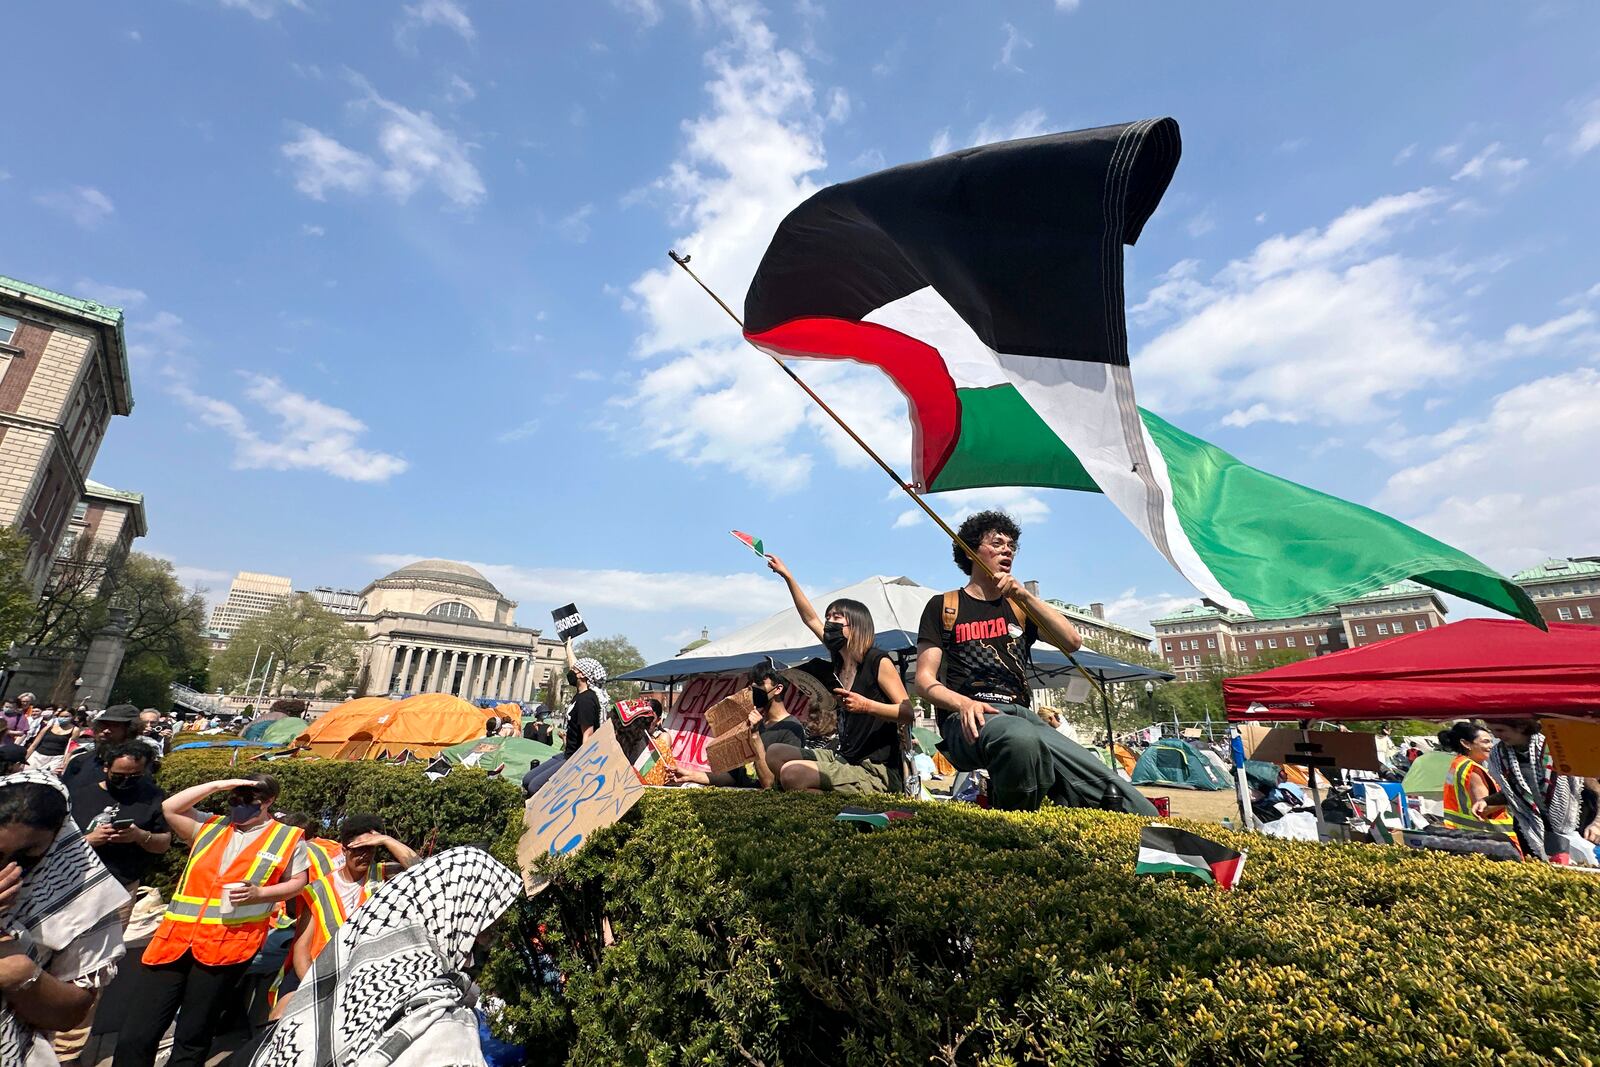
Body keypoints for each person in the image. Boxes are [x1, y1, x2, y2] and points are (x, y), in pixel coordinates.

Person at [912, 510, 1157, 814]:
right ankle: (1015, 834)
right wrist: (962, 704)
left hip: (1024, 716)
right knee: (1018, 739)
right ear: (971, 551)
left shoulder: (1019, 607)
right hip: (968, 719)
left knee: (1129, 799)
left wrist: (1025, 597)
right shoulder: (944, 606)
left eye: (1011, 546)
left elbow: (1071, 642)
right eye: (997, 543)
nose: (1007, 550)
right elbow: (924, 681)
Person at [247, 848, 522, 1067]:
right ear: (456, 914)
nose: (494, 930)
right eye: (489, 920)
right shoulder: (439, 1026)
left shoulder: (367, 955)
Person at [112, 774, 311, 1067]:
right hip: (174, 944)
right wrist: (219, 785)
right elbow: (170, 807)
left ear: (268, 802)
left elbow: (297, 882)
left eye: (248, 801)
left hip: (226, 949)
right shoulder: (210, 826)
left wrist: (260, 893)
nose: (238, 806)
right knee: (136, 1033)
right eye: (234, 800)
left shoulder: (287, 837)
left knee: (193, 1036)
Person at [0, 769, 129, 1067]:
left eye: (26, 854)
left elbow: (69, 1015)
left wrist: (23, 976)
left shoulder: (84, 901)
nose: (7, 867)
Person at [54, 744, 170, 1064]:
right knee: (52, 959)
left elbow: (163, 844)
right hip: (71, 889)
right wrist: (88, 841)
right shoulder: (80, 794)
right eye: (120, 775)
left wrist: (139, 836)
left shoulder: (153, 796)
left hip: (118, 894)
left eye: (136, 774)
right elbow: (52, 840)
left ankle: (67, 1049)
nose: (128, 780)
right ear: (106, 768)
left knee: (93, 968)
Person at [764, 555, 911, 794]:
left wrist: (866, 706)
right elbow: (809, 618)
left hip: (875, 768)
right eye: (828, 617)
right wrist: (788, 577)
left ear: (856, 625)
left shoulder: (877, 661)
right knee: (776, 753)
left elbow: (907, 712)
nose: (829, 623)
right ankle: (821, 796)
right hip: (844, 757)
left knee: (793, 773)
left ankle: (823, 799)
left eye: (836, 618)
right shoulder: (839, 661)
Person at [290, 815, 421, 982]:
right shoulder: (318, 889)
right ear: (344, 850)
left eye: (370, 849)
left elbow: (421, 871)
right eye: (359, 849)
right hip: (325, 973)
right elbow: (302, 950)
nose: (364, 855)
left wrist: (387, 840)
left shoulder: (383, 876)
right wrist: (313, 988)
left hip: (372, 972)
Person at [667, 666, 807, 789]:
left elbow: (770, 784)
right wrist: (690, 775)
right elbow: (734, 776)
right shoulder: (754, 722)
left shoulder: (792, 730)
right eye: (752, 686)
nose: (754, 689)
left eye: (760, 684)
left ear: (778, 689)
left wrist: (755, 735)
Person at [1485, 719, 1585, 864]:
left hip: (1573, 825)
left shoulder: (1557, 749)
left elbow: (1591, 789)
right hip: (1530, 827)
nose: (1496, 735)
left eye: (1500, 730)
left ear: (1522, 726)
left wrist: (1597, 822)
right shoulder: (1500, 755)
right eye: (1492, 730)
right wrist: (1486, 801)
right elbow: (1516, 794)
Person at [521, 650, 608, 797]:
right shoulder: (580, 695)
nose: (571, 671)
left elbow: (588, 734)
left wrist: (582, 765)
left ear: (582, 675)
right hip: (567, 752)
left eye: (574, 670)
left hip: (575, 757)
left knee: (535, 786)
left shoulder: (587, 700)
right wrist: (568, 647)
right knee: (528, 779)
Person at [1437, 721, 1517, 846]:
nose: (1491, 746)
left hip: (1463, 835)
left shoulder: (1457, 764)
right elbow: (1482, 809)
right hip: (1491, 839)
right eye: (1485, 742)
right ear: (1466, 744)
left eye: (1491, 741)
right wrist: (1514, 796)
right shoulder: (1473, 770)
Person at [60, 705, 144, 792]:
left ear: (130, 730)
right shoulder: (80, 760)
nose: (106, 730)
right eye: (103, 725)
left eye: (114, 726)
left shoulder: (137, 767)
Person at [24, 709, 79, 775]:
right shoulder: (48, 727)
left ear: (72, 717)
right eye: (61, 716)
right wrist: (23, 760)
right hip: (37, 756)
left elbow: (69, 750)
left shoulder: (75, 730)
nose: (63, 718)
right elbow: (34, 745)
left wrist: (64, 764)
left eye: (66, 716)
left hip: (55, 759)